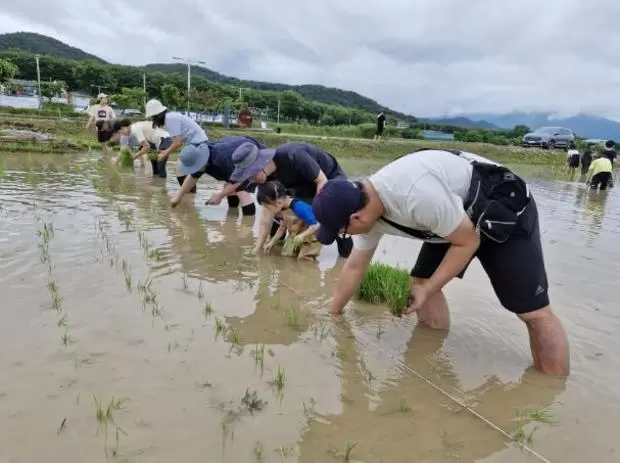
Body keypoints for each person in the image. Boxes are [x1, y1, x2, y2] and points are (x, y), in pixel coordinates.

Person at [311, 148, 570, 376]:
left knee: (532, 312)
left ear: (355, 219)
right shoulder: (367, 210)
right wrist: (334, 313)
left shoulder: (414, 194)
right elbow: (355, 266)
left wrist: (429, 289)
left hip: (503, 206)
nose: (344, 237)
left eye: (341, 232)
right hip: (456, 217)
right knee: (421, 280)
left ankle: (552, 391)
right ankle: (430, 349)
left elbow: (468, 241)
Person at [209, 141, 352, 256]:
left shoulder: (294, 155)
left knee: (334, 222)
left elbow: (322, 182)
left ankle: (344, 255)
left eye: (250, 175)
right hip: (301, 187)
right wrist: (259, 246)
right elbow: (266, 213)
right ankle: (285, 253)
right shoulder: (264, 179)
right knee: (282, 221)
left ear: (259, 166)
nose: (251, 180)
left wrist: (321, 218)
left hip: (329, 180)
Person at [169, 135, 267, 216]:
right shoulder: (202, 158)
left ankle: (247, 227)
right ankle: (232, 218)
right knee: (230, 186)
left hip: (252, 155)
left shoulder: (222, 159)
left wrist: (220, 195)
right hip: (236, 154)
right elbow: (192, 177)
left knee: (242, 191)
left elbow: (238, 181)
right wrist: (178, 197)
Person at [144, 99, 210, 196]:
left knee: (180, 169)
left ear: (158, 115)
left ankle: (189, 195)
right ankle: (190, 195)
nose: (153, 120)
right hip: (198, 144)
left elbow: (177, 143)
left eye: (153, 117)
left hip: (198, 144)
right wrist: (166, 150)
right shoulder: (171, 117)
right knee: (184, 171)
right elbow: (181, 140)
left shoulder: (169, 119)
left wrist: (165, 154)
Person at [257, 181, 322, 260]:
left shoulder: (299, 207)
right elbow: (282, 227)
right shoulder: (283, 208)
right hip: (294, 236)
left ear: (279, 202)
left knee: (303, 258)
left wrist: (302, 236)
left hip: (310, 236)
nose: (267, 210)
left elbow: (317, 225)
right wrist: (272, 242)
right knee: (287, 256)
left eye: (267, 207)